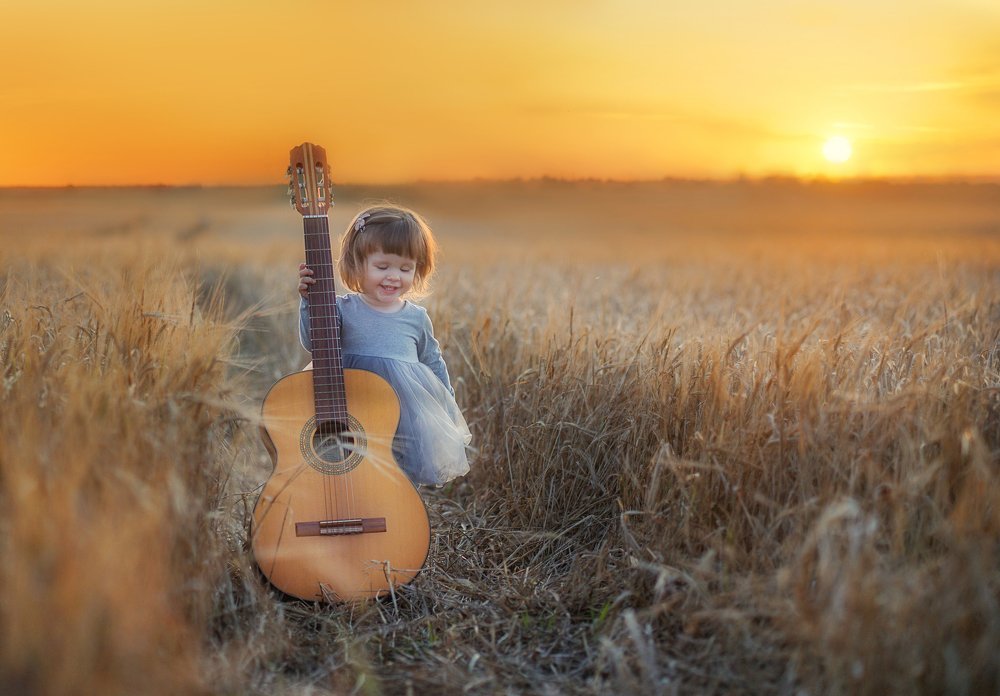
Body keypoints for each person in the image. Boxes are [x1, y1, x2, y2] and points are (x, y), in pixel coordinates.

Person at [297, 205, 471, 485]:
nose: (394, 276)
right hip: (350, 404)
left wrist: (446, 403)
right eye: (382, 266)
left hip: (402, 414)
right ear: (357, 264)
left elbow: (432, 360)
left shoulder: (415, 318)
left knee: (399, 477)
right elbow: (313, 343)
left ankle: (399, 520)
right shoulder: (343, 309)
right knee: (348, 470)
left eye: (405, 268)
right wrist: (310, 302)